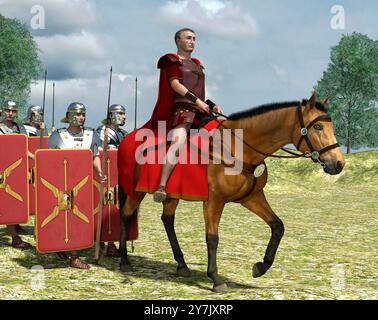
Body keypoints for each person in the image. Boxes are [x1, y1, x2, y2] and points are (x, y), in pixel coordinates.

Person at [152, 28, 223, 203]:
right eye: (188, 38)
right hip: (182, 111)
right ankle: (161, 186)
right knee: (178, 143)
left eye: (194, 39)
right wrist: (197, 102)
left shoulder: (198, 65)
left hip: (201, 112)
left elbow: (200, 94)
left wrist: (212, 105)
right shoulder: (171, 61)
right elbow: (176, 86)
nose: (192, 41)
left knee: (224, 134)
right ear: (178, 41)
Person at [48, 102, 106, 269]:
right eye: (78, 114)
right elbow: (50, 162)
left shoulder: (91, 135)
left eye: (83, 114)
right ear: (69, 115)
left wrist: (100, 172)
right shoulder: (57, 136)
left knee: (78, 218)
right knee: (62, 217)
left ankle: (73, 255)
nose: (81, 117)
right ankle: (63, 248)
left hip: (83, 183)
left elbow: (94, 156)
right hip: (62, 183)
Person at [96, 104, 128, 257]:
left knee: (116, 209)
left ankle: (111, 242)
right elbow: (106, 154)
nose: (124, 117)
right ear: (111, 115)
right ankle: (105, 241)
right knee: (105, 208)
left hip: (118, 176)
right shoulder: (103, 132)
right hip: (105, 176)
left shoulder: (122, 133)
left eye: (124, 113)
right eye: (120, 113)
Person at [0, 100, 33, 249]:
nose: (10, 114)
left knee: (10, 202)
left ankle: (14, 235)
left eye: (13, 111)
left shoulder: (19, 128)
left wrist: (36, 157)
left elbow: (22, 149)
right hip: (2, 171)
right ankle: (14, 237)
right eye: (7, 110)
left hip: (14, 172)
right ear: (2, 111)